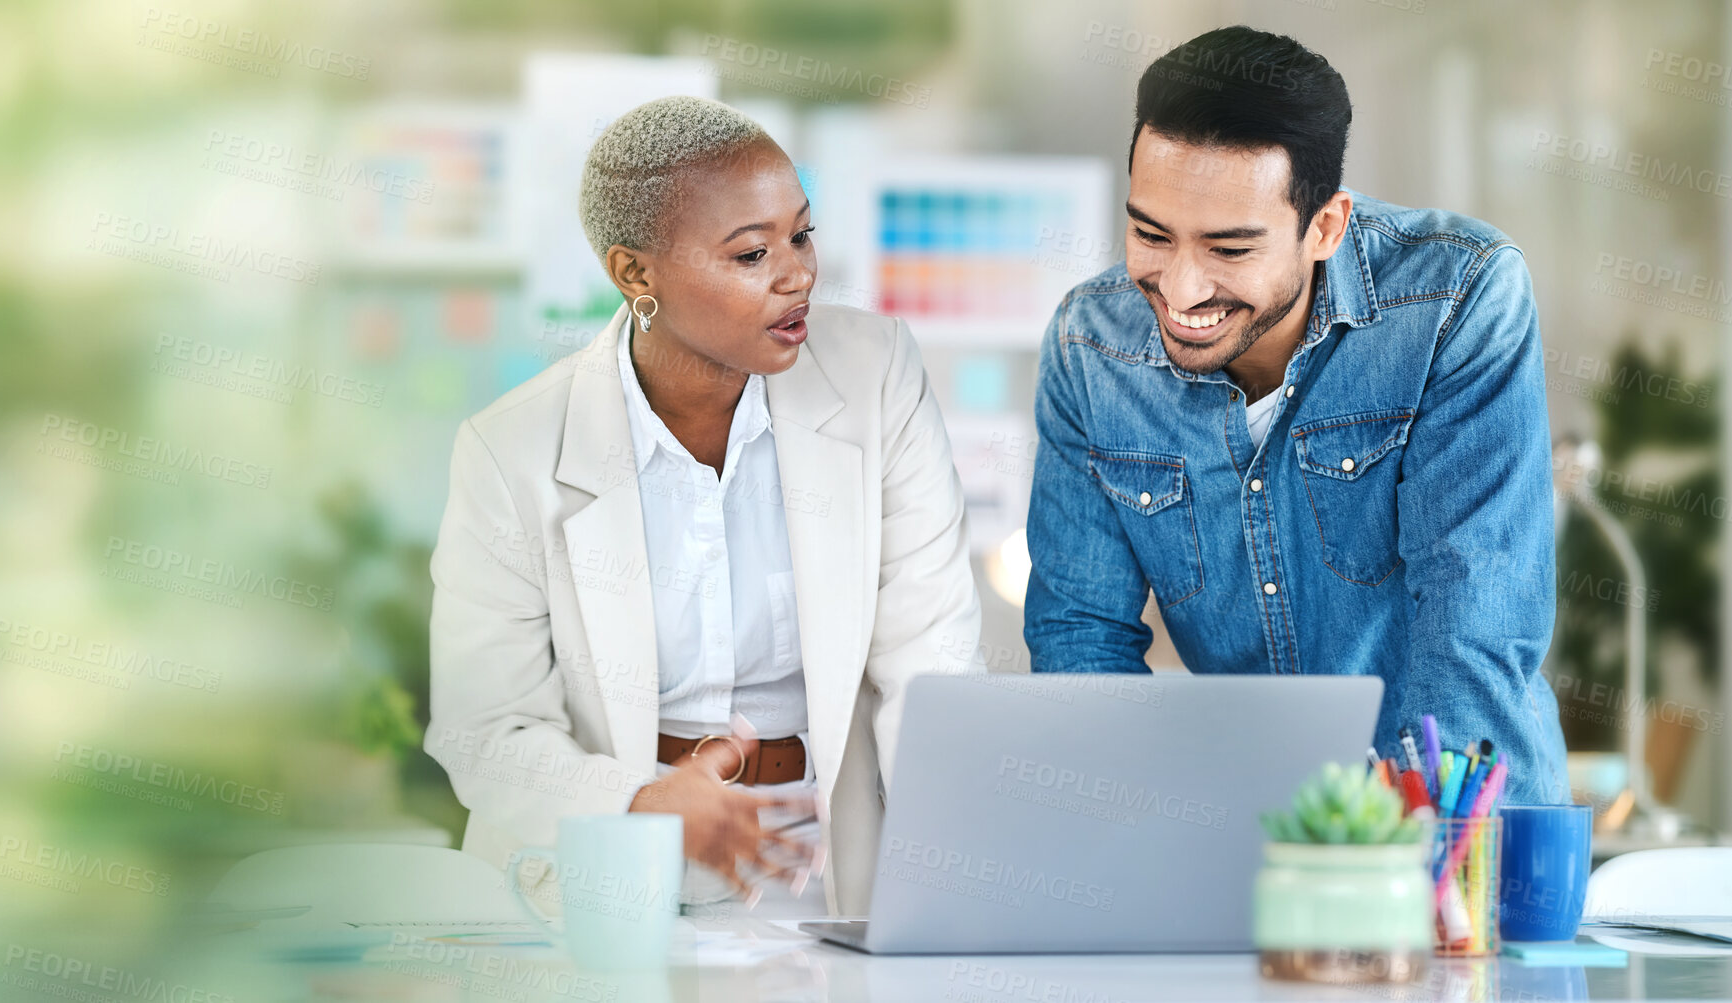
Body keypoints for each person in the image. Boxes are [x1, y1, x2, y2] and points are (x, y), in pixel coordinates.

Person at [428, 95, 981, 916]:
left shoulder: (875, 373)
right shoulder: (511, 450)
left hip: (820, 858)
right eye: (751, 253)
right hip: (599, 876)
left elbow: (927, 659)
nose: (796, 274)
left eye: (801, 234)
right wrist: (642, 803)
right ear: (634, 274)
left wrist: (959, 874)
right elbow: (487, 730)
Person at [1024, 26, 1567, 804]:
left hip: (1456, 839)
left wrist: (1421, 871)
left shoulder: (1453, 302)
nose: (1179, 291)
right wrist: (1114, 846)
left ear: (1325, 226)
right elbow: (1082, 642)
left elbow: (1470, 630)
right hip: (1248, 842)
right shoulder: (1090, 348)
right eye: (1149, 233)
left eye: (1229, 249)